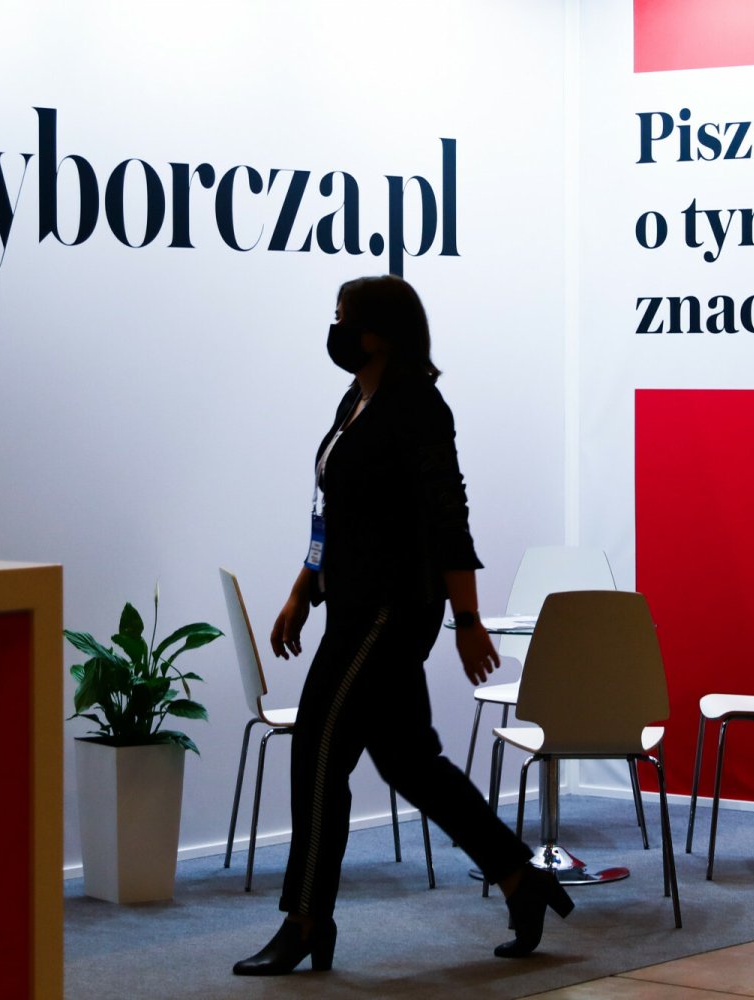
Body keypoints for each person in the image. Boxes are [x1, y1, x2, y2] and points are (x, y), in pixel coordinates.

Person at [232, 275, 573, 976]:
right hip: (350, 603)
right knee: (409, 761)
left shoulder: (417, 405)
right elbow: (330, 511)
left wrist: (468, 618)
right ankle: (519, 876)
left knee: (318, 749)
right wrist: (303, 586)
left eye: (342, 319)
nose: (334, 331)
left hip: (391, 609)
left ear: (379, 332)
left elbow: (449, 515)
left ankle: (306, 920)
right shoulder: (354, 400)